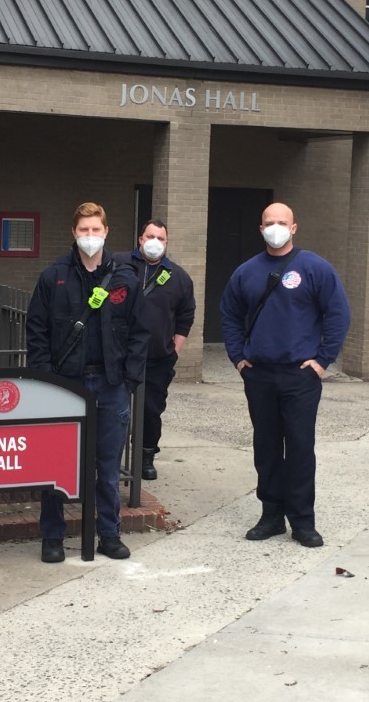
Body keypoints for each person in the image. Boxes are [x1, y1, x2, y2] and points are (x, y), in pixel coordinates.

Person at [219, 202, 351, 548]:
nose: (274, 227)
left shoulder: (315, 268)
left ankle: (303, 521)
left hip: (300, 376)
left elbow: (338, 314)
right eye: (268, 222)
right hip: (259, 374)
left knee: (300, 447)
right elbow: (230, 315)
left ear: (294, 228)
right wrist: (238, 357)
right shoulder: (246, 272)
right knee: (266, 447)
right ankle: (271, 515)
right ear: (260, 228)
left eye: (281, 222)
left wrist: (323, 361)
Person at [27, 202, 149, 563]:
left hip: (110, 384)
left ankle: (108, 534)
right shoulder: (54, 277)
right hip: (66, 384)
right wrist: (46, 379)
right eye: (84, 230)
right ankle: (52, 536)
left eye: (96, 230)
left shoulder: (125, 277)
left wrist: (129, 378)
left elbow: (140, 333)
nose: (90, 237)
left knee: (107, 467)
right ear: (74, 233)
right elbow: (36, 332)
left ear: (106, 232)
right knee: (56, 464)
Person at [113, 218, 196, 480]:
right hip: (119, 354)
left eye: (161, 239)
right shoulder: (118, 263)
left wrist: (175, 349)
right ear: (140, 239)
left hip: (157, 358)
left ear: (167, 242)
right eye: (150, 237)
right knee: (114, 407)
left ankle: (146, 456)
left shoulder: (179, 277)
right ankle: (108, 457)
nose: (155, 243)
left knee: (151, 410)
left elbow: (186, 315)